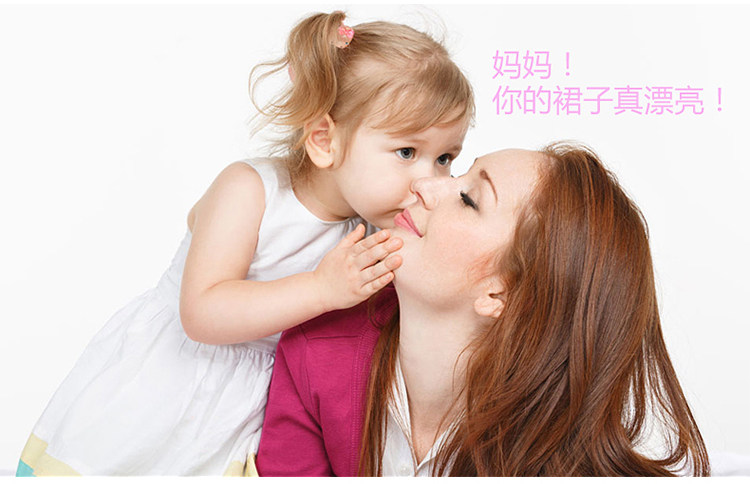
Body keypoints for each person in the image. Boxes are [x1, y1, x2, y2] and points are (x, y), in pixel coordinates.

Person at [17, 11, 473, 476]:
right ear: (323, 140)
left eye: (445, 158)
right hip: (174, 384)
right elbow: (201, 313)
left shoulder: (378, 228)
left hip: (258, 406)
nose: (430, 180)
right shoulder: (251, 191)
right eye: (406, 152)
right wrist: (321, 289)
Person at [255, 142, 711, 477]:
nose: (424, 185)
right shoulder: (312, 349)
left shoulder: (555, 455)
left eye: (469, 199)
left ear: (501, 296)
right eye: (459, 175)